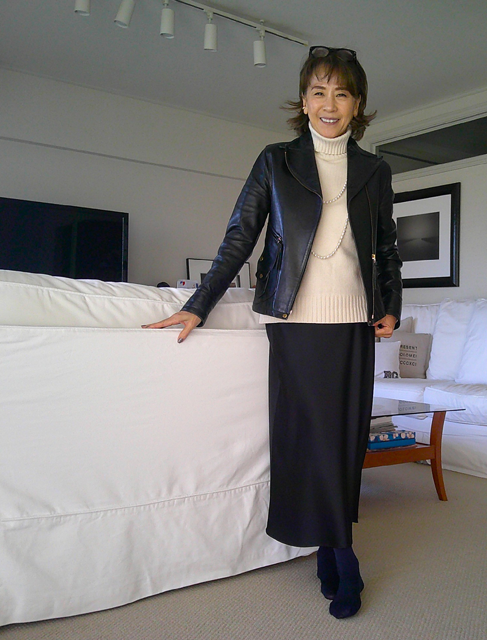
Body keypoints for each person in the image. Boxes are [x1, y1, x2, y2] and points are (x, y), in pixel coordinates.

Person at [144, 46, 402, 619]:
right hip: (296, 321)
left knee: (345, 440)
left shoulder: (375, 171)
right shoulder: (276, 161)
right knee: (310, 439)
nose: (329, 104)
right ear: (303, 101)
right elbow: (241, 235)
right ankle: (343, 553)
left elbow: (387, 247)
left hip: (355, 322)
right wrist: (199, 304)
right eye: (318, 92)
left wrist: (392, 305)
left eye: (341, 93)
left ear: (357, 104)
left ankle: (330, 547)